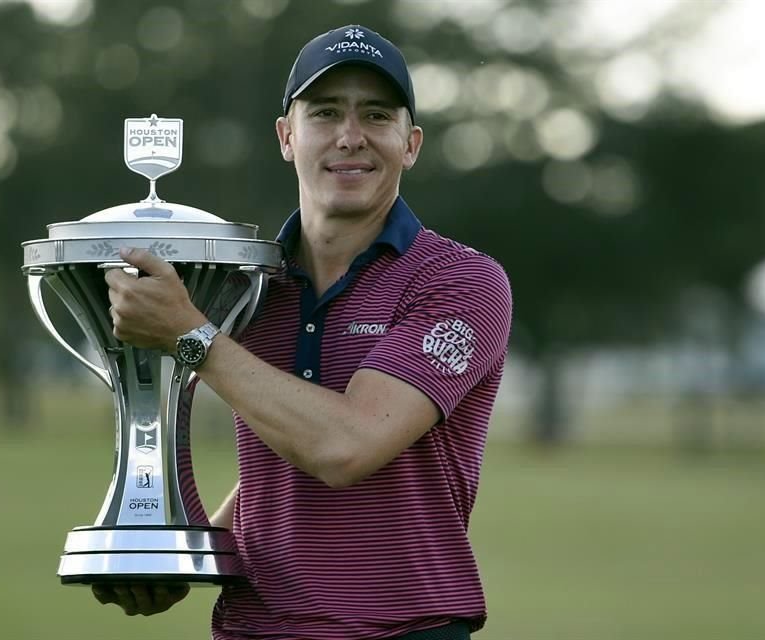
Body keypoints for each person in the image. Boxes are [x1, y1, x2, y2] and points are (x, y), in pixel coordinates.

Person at [96, 24, 512, 640]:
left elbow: (344, 446)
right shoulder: (244, 286)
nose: (351, 136)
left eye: (376, 114)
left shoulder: (460, 281)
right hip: (253, 628)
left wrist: (190, 334)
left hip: (402, 629)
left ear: (411, 143)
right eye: (325, 113)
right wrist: (189, 548)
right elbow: (278, 462)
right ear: (288, 137)